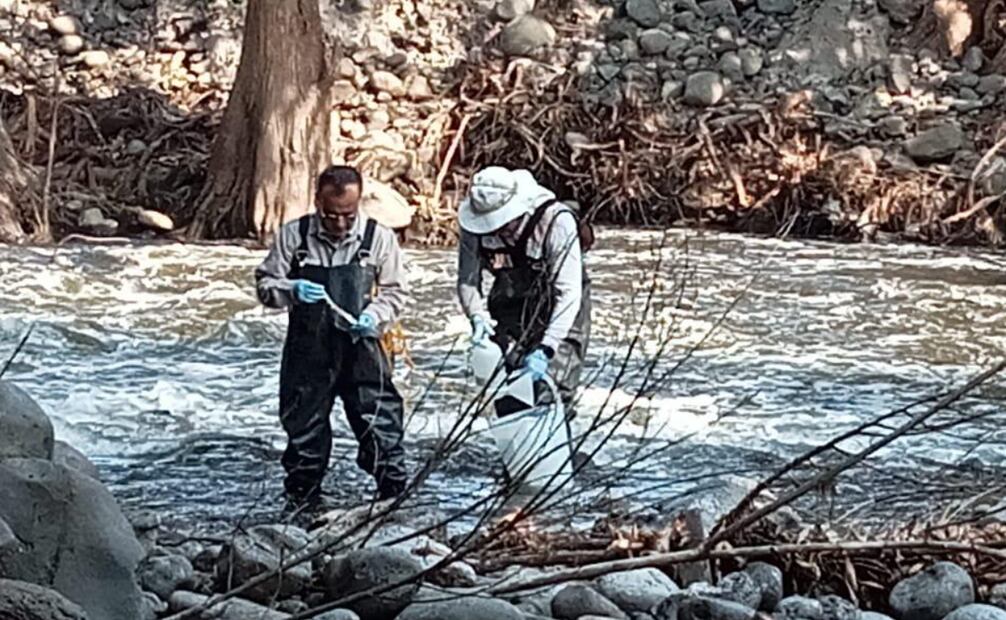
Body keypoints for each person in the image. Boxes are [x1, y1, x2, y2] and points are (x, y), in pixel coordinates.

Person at [255, 165, 408, 511]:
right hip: (309, 353)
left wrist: (373, 315)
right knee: (304, 439)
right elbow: (265, 286)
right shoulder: (293, 236)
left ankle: (395, 506)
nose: (339, 224)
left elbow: (396, 293)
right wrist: (290, 289)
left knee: (382, 429)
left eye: (347, 215)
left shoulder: (379, 238)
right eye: (330, 215)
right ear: (317, 202)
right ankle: (302, 511)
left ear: (359, 204)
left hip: (364, 350)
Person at [456, 165, 591, 419]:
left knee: (552, 390)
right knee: (509, 387)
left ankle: (555, 448)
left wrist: (547, 348)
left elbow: (568, 293)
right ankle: (515, 447)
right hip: (511, 296)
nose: (493, 231)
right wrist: (476, 315)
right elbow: (467, 280)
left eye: (500, 224)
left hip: (562, 301)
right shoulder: (473, 226)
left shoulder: (556, 221)